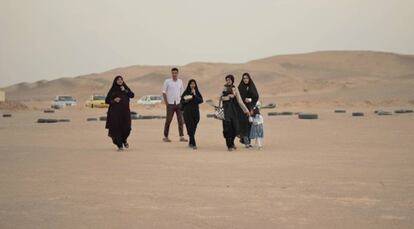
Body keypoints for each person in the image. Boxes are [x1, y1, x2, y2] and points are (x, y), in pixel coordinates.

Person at [105, 75, 135, 151]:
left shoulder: (125, 88)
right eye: (118, 80)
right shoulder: (113, 89)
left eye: (121, 79)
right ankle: (119, 145)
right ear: (115, 81)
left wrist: (125, 90)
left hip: (125, 112)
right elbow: (107, 100)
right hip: (115, 113)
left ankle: (124, 140)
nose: (120, 81)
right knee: (116, 129)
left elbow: (132, 95)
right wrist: (114, 100)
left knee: (127, 128)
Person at [220, 74, 250, 151]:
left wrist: (246, 110)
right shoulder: (224, 88)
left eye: (229, 80)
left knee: (235, 128)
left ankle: (232, 142)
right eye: (227, 80)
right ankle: (229, 145)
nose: (228, 81)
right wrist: (228, 97)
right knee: (227, 129)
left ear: (232, 80)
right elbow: (221, 98)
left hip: (233, 111)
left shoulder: (235, 88)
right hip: (226, 111)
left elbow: (240, 101)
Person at [162, 68, 187, 142]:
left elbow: (182, 93)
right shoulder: (167, 81)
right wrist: (167, 103)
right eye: (173, 73)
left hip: (179, 104)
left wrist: (182, 103)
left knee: (181, 121)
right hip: (170, 104)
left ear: (177, 73)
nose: (174, 74)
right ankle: (166, 136)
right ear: (171, 73)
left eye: (176, 73)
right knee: (168, 120)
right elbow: (164, 92)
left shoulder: (180, 81)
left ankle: (181, 136)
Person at [180, 79, 203, 149]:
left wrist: (195, 94)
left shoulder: (197, 92)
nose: (192, 85)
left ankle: (190, 141)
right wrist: (186, 101)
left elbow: (201, 101)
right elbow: (182, 102)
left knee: (194, 127)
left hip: (195, 112)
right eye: (191, 84)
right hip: (187, 112)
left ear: (195, 85)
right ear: (189, 85)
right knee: (190, 127)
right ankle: (194, 143)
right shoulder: (186, 92)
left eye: (193, 84)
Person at [238, 72, 259, 148]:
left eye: (246, 78)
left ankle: (249, 142)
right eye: (244, 78)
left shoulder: (252, 86)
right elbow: (238, 97)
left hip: (251, 108)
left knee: (250, 125)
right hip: (242, 109)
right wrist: (244, 99)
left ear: (249, 78)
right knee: (244, 125)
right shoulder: (240, 87)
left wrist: (250, 100)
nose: (245, 79)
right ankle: (247, 143)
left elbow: (256, 97)